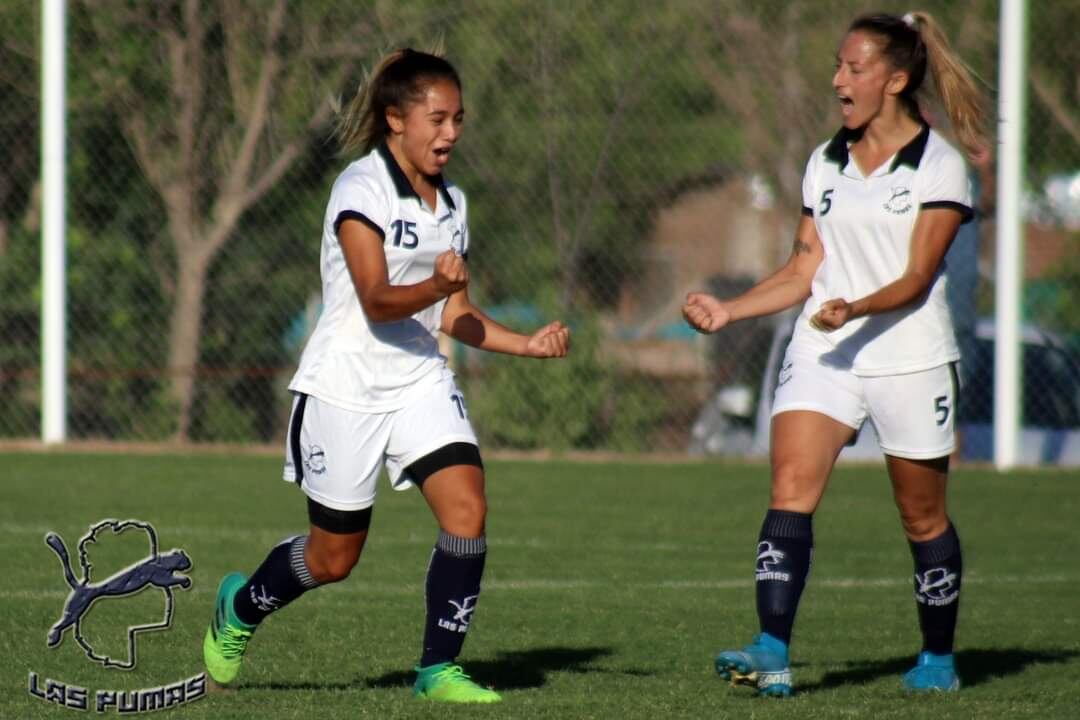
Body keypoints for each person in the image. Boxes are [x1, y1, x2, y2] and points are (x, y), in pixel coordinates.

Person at [202, 48, 570, 704]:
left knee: (467, 508)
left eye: (458, 118)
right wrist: (435, 283)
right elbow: (375, 299)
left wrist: (527, 345)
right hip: (345, 385)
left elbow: (454, 313)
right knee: (332, 559)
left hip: (419, 379)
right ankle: (241, 609)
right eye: (438, 118)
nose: (451, 132)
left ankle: (438, 670)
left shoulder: (452, 203)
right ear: (396, 119)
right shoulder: (360, 189)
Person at [683, 11, 986, 696]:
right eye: (838, 65)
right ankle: (772, 651)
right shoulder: (825, 160)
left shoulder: (938, 166)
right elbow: (802, 268)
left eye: (854, 68)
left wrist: (854, 304)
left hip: (908, 354)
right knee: (790, 488)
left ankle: (937, 657)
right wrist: (729, 309)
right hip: (824, 349)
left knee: (922, 516)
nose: (837, 79)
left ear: (896, 78)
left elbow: (914, 278)